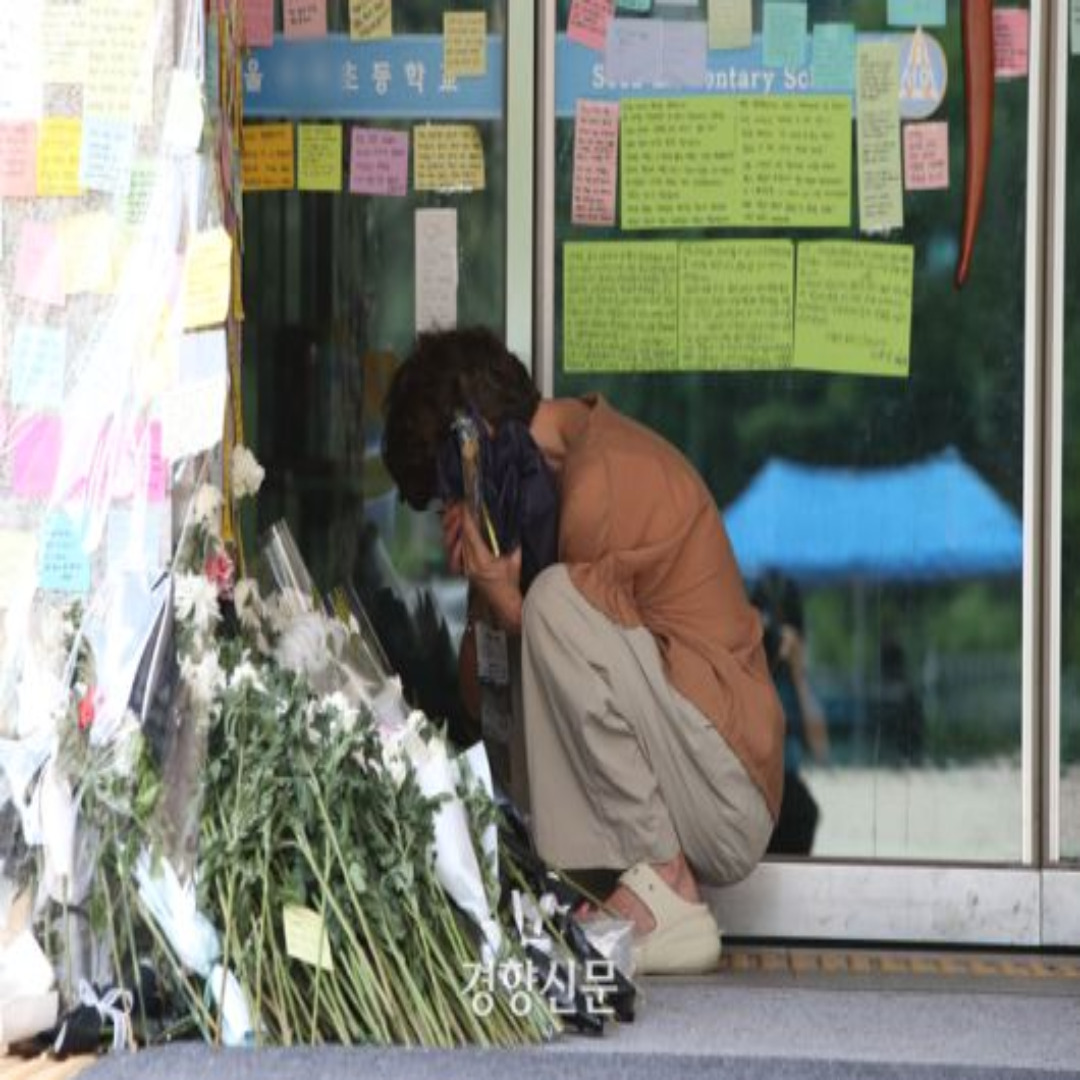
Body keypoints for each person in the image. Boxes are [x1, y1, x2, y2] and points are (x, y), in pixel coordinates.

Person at [382, 327, 784, 975]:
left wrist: (514, 603)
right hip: (686, 766)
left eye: (450, 494)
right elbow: (488, 709)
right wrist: (487, 593)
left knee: (554, 606)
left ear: (474, 442)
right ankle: (635, 883)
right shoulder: (543, 492)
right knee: (543, 616)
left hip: (726, 793)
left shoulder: (604, 482)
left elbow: (558, 629)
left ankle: (666, 890)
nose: (448, 517)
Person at [750, 572, 829, 856]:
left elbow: (821, 749)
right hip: (753, 788)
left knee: (801, 810)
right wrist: (763, 661)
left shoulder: (799, 684)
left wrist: (797, 673)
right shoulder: (746, 674)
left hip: (788, 793)